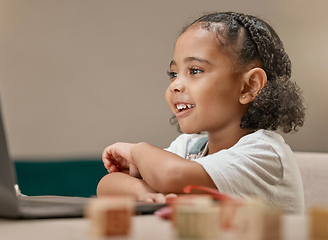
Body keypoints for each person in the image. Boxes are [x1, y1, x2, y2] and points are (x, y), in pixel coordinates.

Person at [96, 11, 305, 214]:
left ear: (248, 87)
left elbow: (170, 175)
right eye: (174, 73)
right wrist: (146, 193)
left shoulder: (265, 153)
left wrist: (136, 151)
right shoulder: (190, 146)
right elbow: (108, 184)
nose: (175, 85)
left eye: (195, 70)